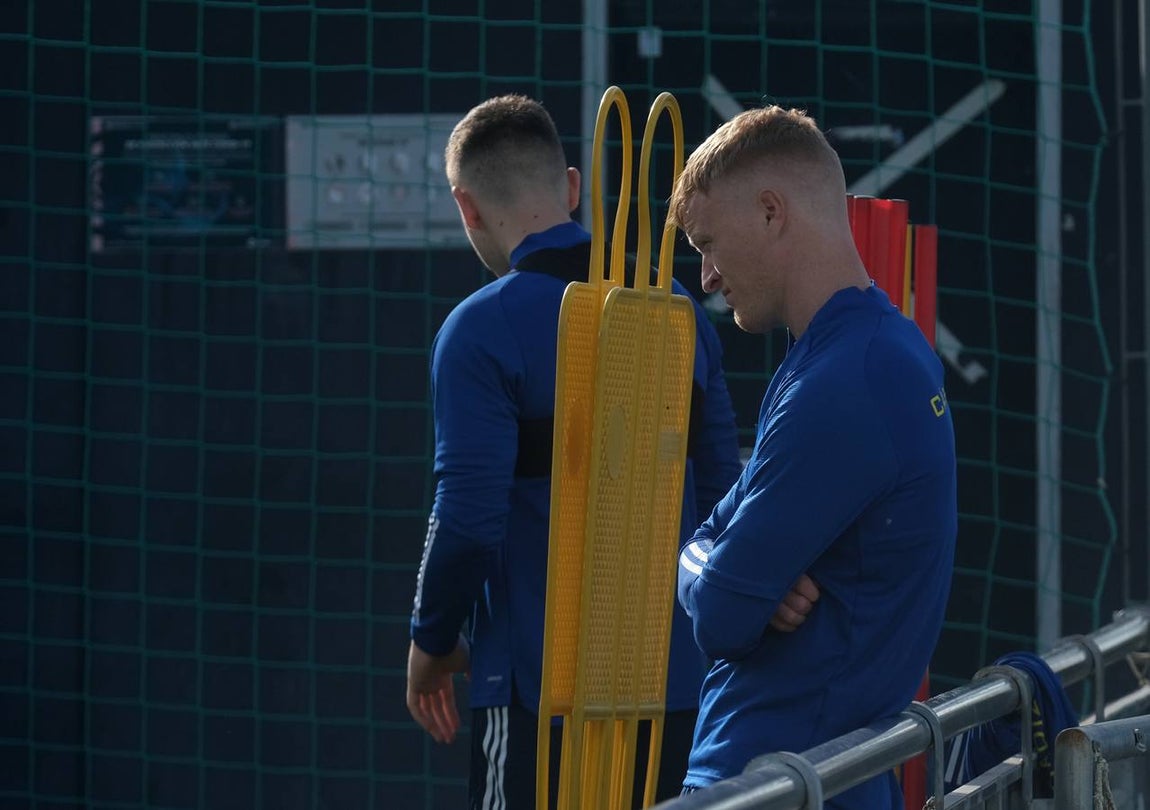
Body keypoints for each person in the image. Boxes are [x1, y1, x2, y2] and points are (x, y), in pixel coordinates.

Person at [405, 94, 820, 810]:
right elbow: (725, 498)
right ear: (571, 188)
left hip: (539, 701)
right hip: (677, 695)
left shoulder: (477, 330)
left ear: (467, 208)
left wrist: (430, 641)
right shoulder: (679, 310)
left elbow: (466, 519)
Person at [669, 105, 957, 808]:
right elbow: (710, 550)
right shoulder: (853, 353)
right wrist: (716, 567)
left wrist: (718, 573)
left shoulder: (847, 380)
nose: (706, 276)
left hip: (782, 781)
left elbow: (720, 615)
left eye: (708, 244)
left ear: (771, 212)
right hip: (806, 772)